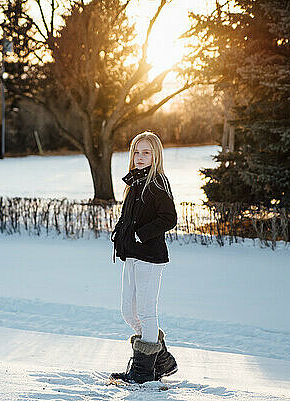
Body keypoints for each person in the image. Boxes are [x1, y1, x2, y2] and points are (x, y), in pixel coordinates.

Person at [109, 131, 178, 384]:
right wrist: (121, 234)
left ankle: (142, 372)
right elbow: (129, 217)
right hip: (132, 255)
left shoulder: (158, 183)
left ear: (155, 155)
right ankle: (160, 360)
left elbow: (169, 218)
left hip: (150, 256)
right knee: (128, 312)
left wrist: (140, 234)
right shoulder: (134, 182)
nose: (140, 157)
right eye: (137, 152)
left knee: (147, 312)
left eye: (146, 152)